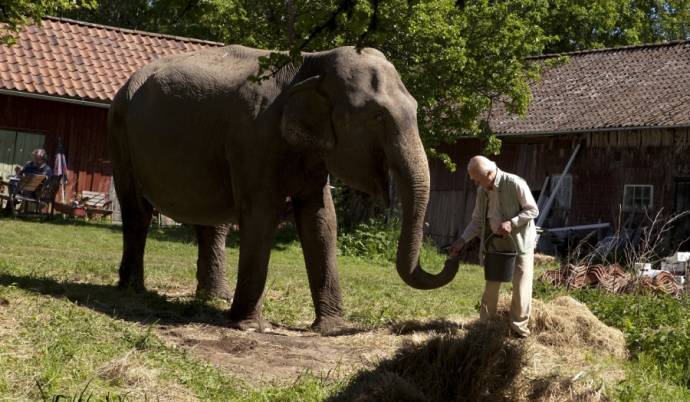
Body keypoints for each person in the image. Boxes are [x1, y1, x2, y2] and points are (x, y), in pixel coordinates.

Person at [449, 155, 539, 338]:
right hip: (495, 243)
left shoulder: (514, 183)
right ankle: (485, 325)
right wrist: (461, 241)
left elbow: (533, 209)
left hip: (520, 243)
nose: (477, 184)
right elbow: (477, 221)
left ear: (490, 173)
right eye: (474, 180)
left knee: (521, 287)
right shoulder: (482, 191)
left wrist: (512, 223)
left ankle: (519, 330)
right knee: (491, 286)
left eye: (479, 180)